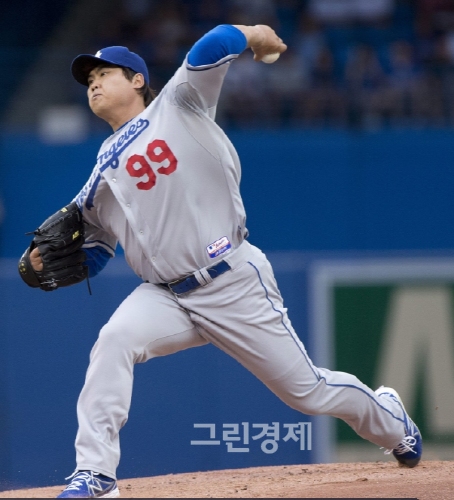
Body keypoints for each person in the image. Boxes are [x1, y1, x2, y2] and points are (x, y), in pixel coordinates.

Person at [29, 24, 422, 499]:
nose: (93, 83)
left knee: (307, 392)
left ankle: (391, 420)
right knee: (114, 341)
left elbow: (213, 44)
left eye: (104, 73)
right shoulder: (98, 176)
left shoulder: (178, 104)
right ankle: (95, 474)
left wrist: (256, 34)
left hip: (232, 281)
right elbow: (94, 254)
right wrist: (44, 264)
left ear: (137, 80)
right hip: (165, 297)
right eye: (88, 79)